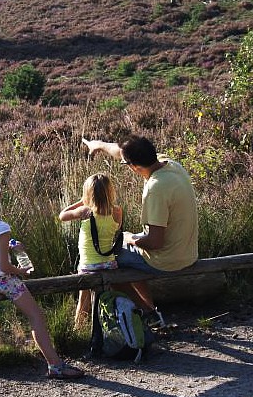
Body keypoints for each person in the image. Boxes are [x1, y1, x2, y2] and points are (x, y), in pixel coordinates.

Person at [0, 173, 84, 380]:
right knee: (37, 316)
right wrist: (21, 271)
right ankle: (55, 365)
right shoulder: (0, 227)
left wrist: (12, 251)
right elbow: (2, 266)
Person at [82, 135, 199, 328]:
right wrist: (99, 145)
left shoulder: (156, 188)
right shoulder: (170, 165)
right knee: (125, 250)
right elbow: (121, 151)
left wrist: (130, 238)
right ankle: (150, 312)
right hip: (188, 252)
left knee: (107, 261)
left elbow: (154, 243)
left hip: (167, 260)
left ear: (133, 166)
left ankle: (147, 313)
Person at [59, 173, 123, 328]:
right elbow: (118, 229)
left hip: (89, 266)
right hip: (109, 265)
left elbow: (62, 216)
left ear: (88, 194)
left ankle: (78, 328)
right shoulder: (117, 211)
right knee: (109, 295)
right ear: (110, 192)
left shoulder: (84, 211)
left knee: (83, 299)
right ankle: (109, 325)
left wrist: (82, 201)